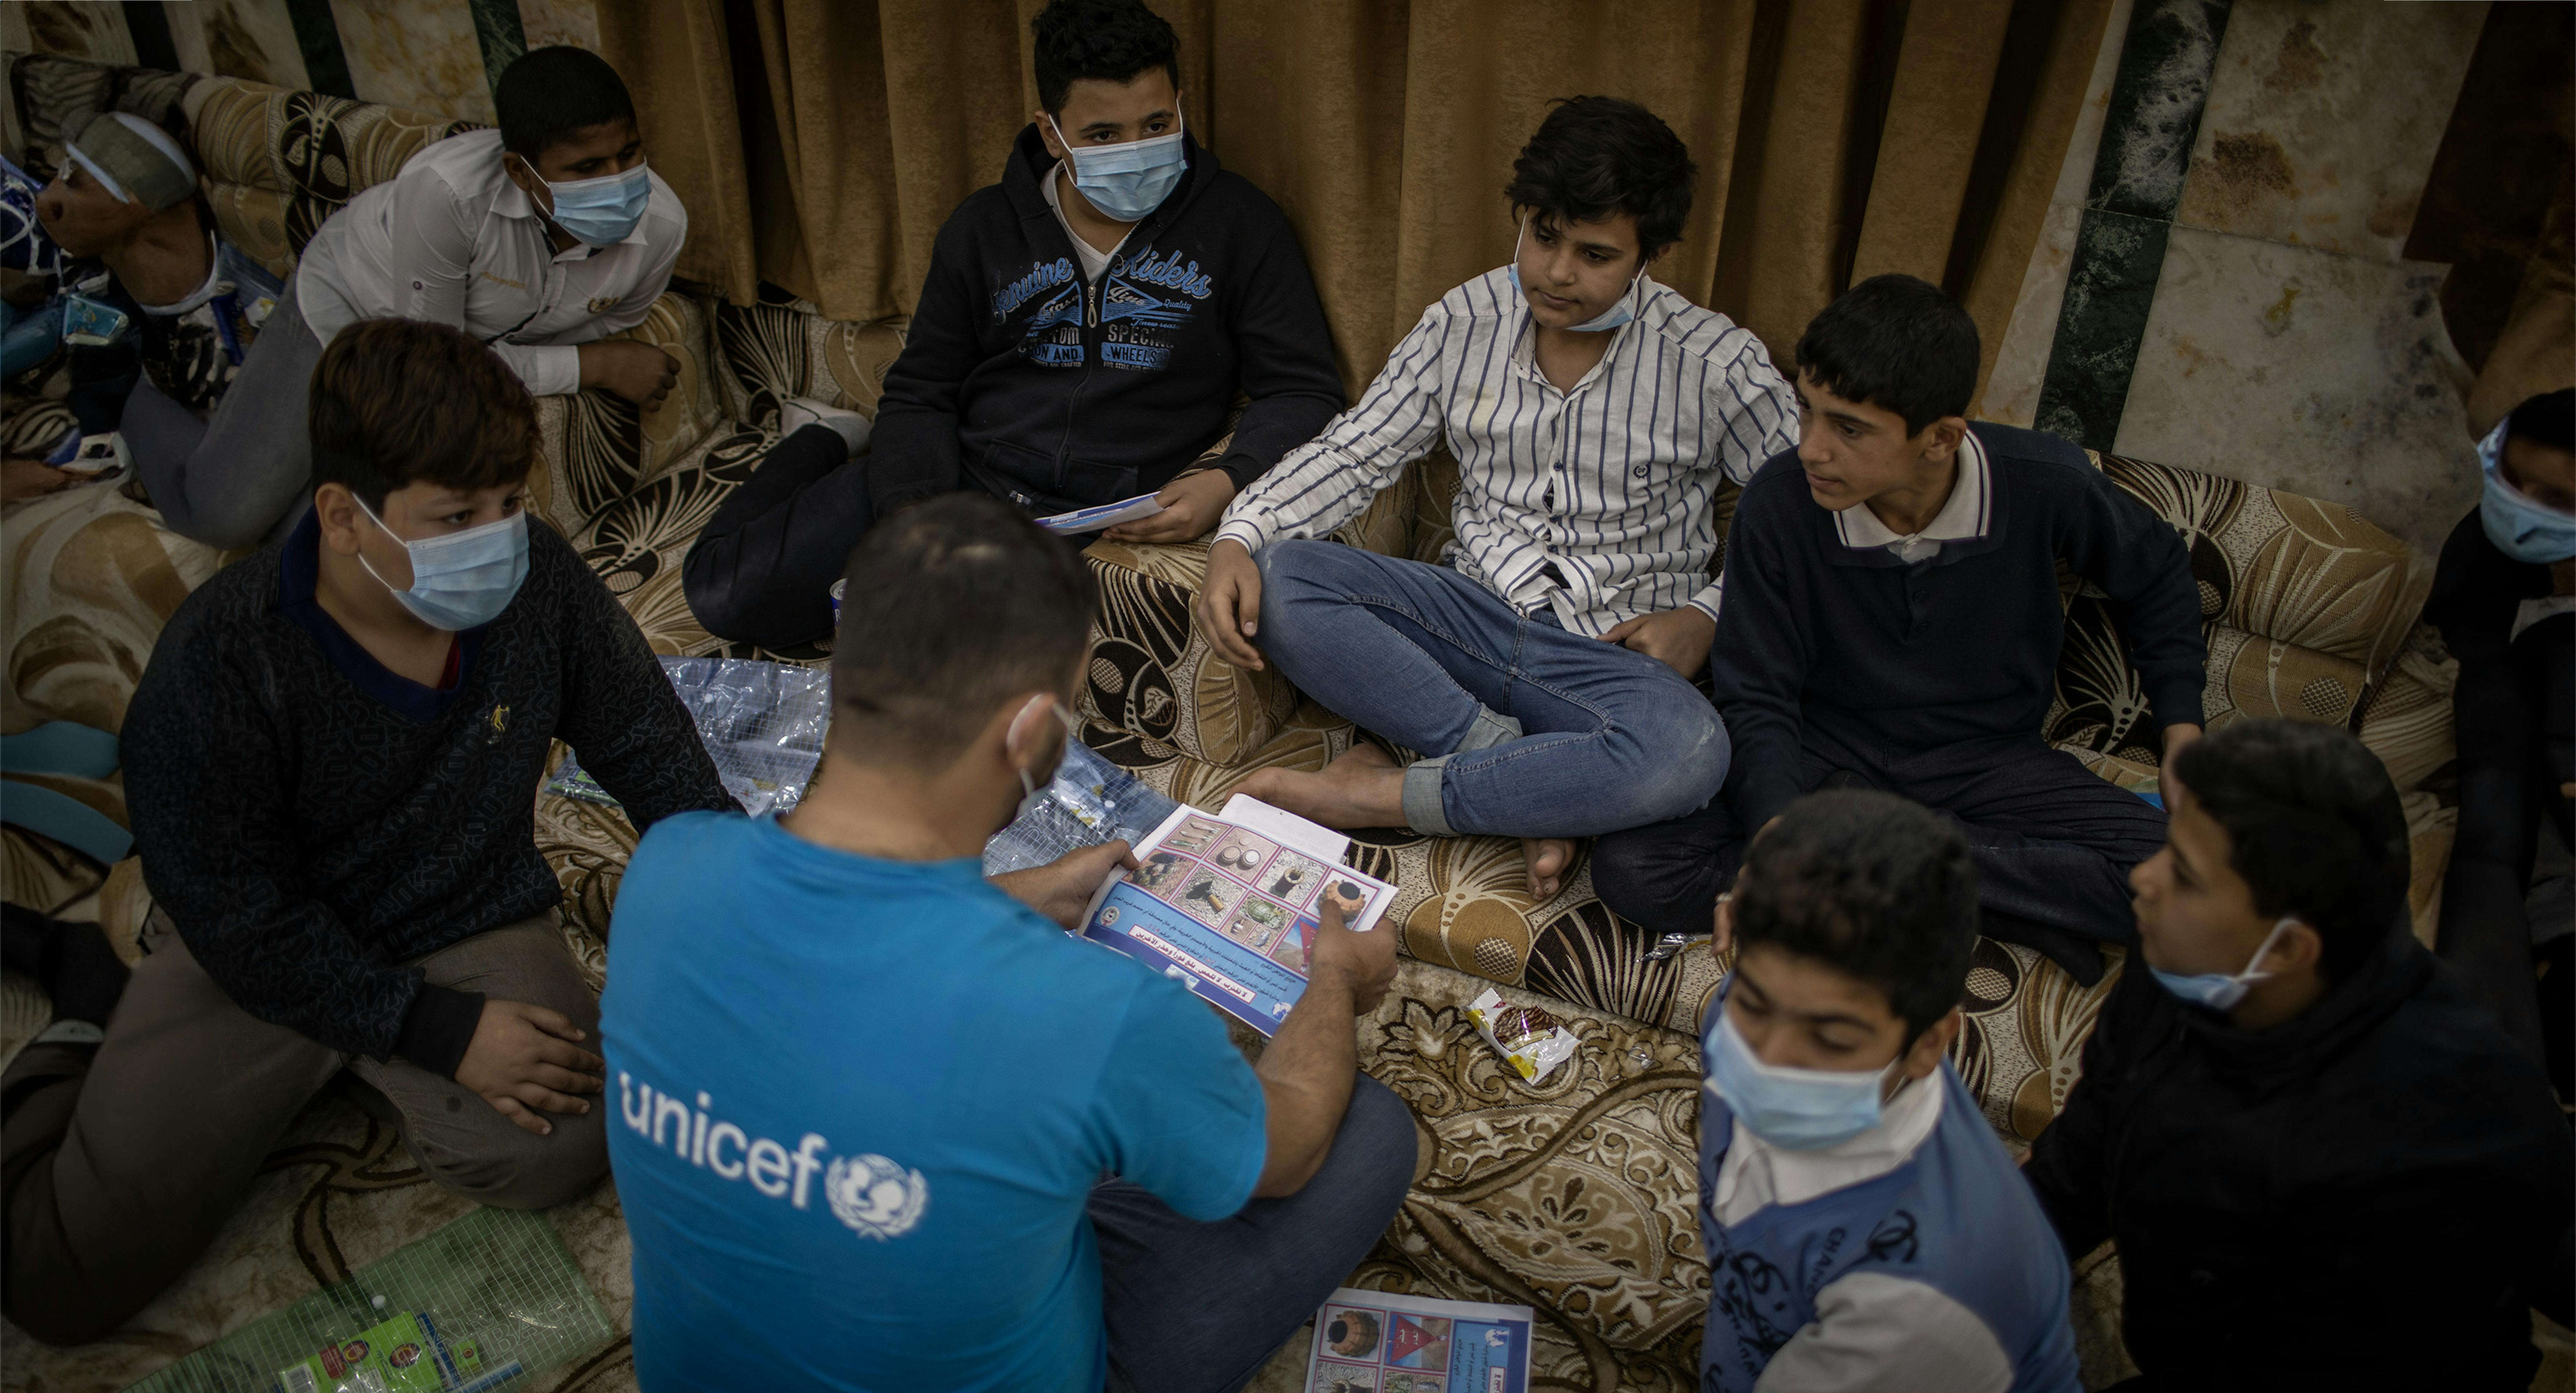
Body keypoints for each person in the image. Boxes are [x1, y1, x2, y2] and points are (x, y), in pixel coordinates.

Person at [607, 493, 1413, 1393]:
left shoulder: (669, 866)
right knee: (1365, 1128)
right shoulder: (1090, 1011)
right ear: (1030, 733)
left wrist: (1021, 894)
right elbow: (1283, 1159)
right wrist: (1333, 980)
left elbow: (840, 976)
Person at [0, 318, 736, 1346]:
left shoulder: (538, 581)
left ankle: (345, 1067)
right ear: (343, 516)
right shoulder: (220, 664)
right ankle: (83, 1003)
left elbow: (650, 746)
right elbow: (236, 916)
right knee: (59, 1283)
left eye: (510, 505)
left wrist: (751, 903)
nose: (497, 539)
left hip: (460, 914)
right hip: (259, 958)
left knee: (562, 1147)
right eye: (454, 517)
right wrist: (436, 1033)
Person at [1201, 96, 1796, 902]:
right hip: (1466, 624)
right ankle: (1522, 788)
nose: (1556, 273)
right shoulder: (1464, 319)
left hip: (1609, 661)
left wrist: (1708, 618)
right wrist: (1239, 535)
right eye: (1543, 237)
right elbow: (1358, 447)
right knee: (1286, 577)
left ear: (1649, 255)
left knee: (1689, 749)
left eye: (1595, 254)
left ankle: (1386, 794)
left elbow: (1804, 516)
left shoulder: (1715, 361)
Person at [1591, 275, 2204, 981]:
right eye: (1806, 412)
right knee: (1636, 870)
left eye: (1848, 428)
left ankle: (1891, 863)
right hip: (1827, 756)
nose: (1812, 449)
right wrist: (1776, 830)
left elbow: (2158, 572)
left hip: (1983, 758)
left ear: (1940, 438)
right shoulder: (1780, 503)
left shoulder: (2045, 482)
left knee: (2183, 887)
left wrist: (2182, 729)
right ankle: (1992, 896)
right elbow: (1757, 694)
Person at [682, 0, 1345, 650]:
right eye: (1104, 136)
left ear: (1180, 104)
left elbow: (1304, 389)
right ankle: (822, 440)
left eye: (1156, 122)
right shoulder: (981, 229)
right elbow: (922, 391)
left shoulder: (1243, 226)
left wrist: (1228, 479)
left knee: (964, 655)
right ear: (1052, 133)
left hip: (1099, 513)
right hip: (960, 484)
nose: (1138, 153)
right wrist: (914, 515)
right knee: (722, 595)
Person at [2023, 719, 2575, 1393]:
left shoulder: (2456, 1135)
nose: (2142, 879)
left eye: (2184, 874)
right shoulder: (2184, 968)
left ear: (2286, 945)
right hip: (2215, 1358)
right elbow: (2082, 1154)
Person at [1696, 790, 2094, 1393]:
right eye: (1756, 1006)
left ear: (1928, 1044)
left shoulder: (1931, 1291)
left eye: (1830, 1040)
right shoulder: (1732, 1018)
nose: (1768, 1062)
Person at [293, 45, 686, 503]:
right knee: (232, 512)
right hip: (355, 300)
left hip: (448, 349)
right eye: (588, 168)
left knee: (354, 504)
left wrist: (574, 355)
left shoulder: (664, 225)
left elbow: (602, 325)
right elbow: (437, 371)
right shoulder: (448, 197)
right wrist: (594, 365)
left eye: (629, 153)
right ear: (521, 172)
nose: (618, 182)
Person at [6, 110, 299, 532]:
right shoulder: (92, 285)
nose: (46, 199)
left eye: (73, 182)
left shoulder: (246, 323)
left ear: (139, 204)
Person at [2429, 386, 2572, 1087]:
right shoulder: (2482, 560)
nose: (2522, 511)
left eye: (2561, 501)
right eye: (2514, 481)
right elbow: (2496, 786)